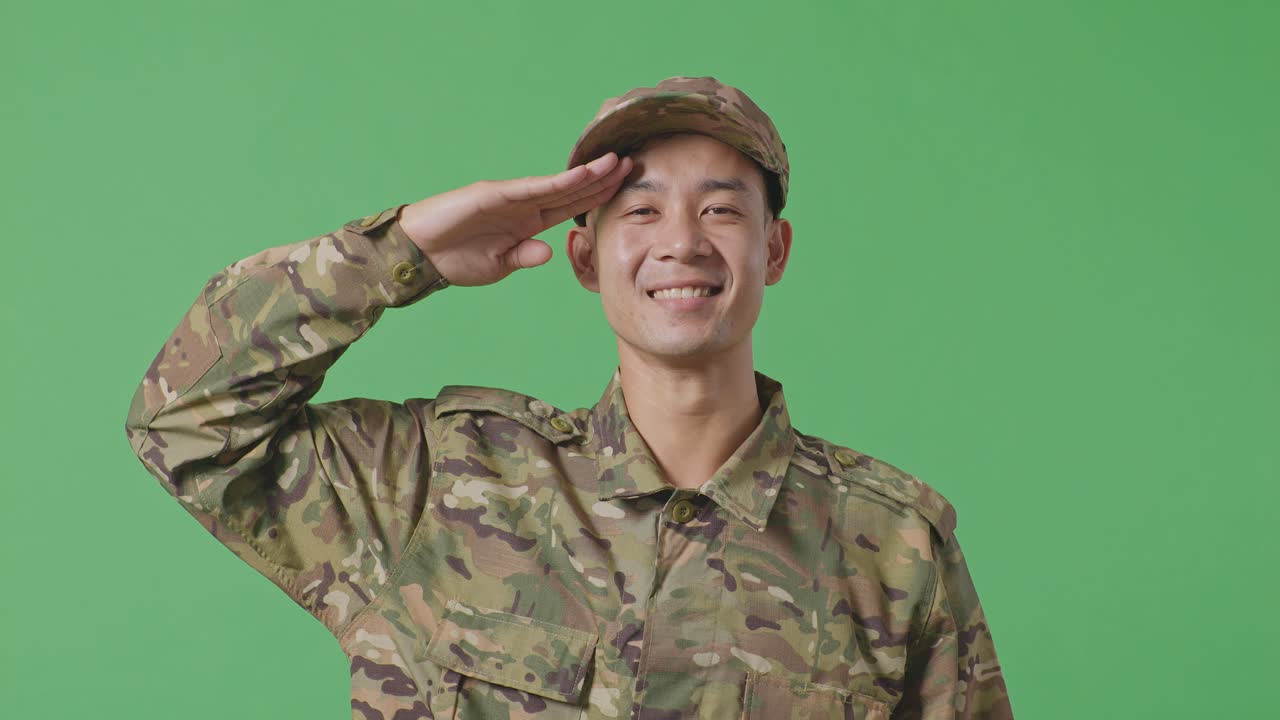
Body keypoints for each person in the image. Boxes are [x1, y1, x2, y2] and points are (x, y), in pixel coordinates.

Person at [125, 75, 1013, 719]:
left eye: (720, 209)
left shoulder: (893, 547)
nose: (681, 243)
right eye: (640, 210)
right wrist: (404, 251)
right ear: (584, 257)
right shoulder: (436, 485)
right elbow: (186, 420)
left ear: (773, 251)